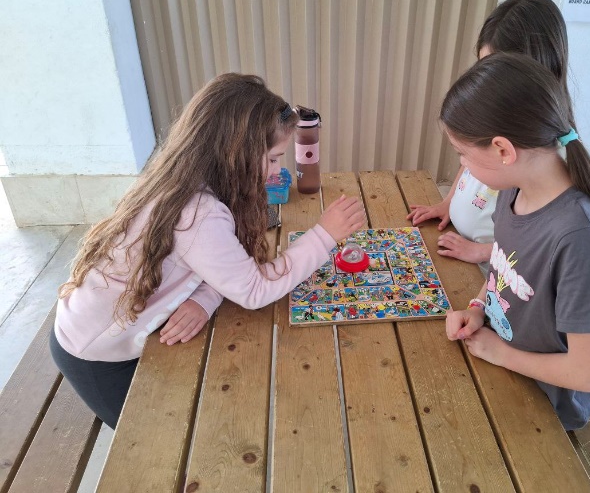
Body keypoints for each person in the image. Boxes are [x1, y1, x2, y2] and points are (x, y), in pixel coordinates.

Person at [51, 73, 366, 428]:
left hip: (121, 327)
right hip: (96, 355)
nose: (278, 172)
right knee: (161, 440)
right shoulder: (199, 213)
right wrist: (323, 235)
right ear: (236, 153)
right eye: (273, 159)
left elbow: (220, 262)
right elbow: (254, 290)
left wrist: (205, 296)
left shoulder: (185, 177)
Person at [442, 53, 590, 430]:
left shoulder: (578, 236)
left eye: (463, 154)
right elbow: (503, 266)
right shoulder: (514, 190)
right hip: (502, 355)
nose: (462, 165)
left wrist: (502, 354)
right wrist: (478, 308)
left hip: (546, 398)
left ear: (503, 150)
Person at [407, 0, 575, 276]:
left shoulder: (541, 154)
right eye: (483, 66)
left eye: (497, 69)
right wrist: (449, 203)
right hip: (469, 254)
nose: (487, 79)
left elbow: (534, 244)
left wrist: (483, 252)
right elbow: (470, 159)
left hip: (496, 272)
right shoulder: (497, 114)